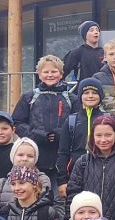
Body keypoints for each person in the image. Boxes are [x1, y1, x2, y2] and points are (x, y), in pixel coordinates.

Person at [12, 55, 76, 188]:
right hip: (36, 156)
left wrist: (61, 134)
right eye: (46, 72)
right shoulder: (29, 97)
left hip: (63, 156)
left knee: (62, 197)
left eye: (54, 71)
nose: (50, 75)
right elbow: (17, 122)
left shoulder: (71, 98)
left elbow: (77, 123)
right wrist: (39, 135)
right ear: (39, 75)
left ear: (61, 74)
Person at [66, 114, 115, 220]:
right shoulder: (83, 162)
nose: (103, 140)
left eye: (108, 135)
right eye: (98, 135)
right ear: (92, 137)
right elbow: (72, 197)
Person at [56, 77, 105, 200]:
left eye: (94, 93)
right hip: (75, 175)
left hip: (102, 174)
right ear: (80, 96)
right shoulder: (72, 120)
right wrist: (62, 181)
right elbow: (63, 152)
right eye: (86, 93)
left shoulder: (107, 119)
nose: (90, 96)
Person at [0, 137, 54, 218]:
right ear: (13, 156)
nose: (25, 159)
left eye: (30, 156)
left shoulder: (42, 179)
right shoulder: (1, 183)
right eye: (20, 155)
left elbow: (44, 204)